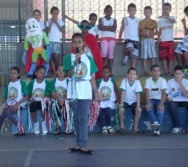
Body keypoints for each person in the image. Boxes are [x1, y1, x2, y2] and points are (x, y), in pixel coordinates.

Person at [63, 33, 100, 155]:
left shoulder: (89, 59)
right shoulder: (68, 58)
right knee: (76, 118)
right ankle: (78, 143)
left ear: (84, 43)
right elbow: (68, 74)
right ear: (72, 44)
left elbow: (92, 78)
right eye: (75, 42)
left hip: (85, 90)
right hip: (73, 90)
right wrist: (75, 62)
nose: (77, 44)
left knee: (83, 118)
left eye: (80, 42)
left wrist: (96, 92)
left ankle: (83, 144)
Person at [0, 67, 28, 136]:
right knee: (2, 115)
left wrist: (18, 104)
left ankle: (21, 128)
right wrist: (6, 104)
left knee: (8, 113)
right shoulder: (9, 84)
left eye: (14, 73)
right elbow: (6, 97)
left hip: (19, 104)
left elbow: (26, 96)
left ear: (18, 74)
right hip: (10, 105)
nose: (12, 75)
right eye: (11, 73)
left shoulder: (21, 83)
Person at [144, 65, 167, 136]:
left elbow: (164, 93)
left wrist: (161, 104)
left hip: (160, 99)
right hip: (151, 99)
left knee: (160, 109)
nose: (156, 72)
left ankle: (156, 129)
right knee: (148, 108)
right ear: (151, 72)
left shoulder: (162, 80)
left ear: (160, 72)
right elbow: (146, 92)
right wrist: (148, 103)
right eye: (154, 70)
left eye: (158, 70)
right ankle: (156, 124)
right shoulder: (148, 80)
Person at [119, 67, 143, 133]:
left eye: (134, 74)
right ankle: (122, 126)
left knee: (138, 111)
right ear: (127, 75)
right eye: (130, 73)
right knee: (121, 109)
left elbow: (138, 94)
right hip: (125, 101)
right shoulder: (124, 80)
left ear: (136, 76)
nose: (132, 75)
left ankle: (135, 127)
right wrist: (121, 103)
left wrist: (138, 106)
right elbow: (123, 92)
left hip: (133, 102)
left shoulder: (137, 82)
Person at [28, 66, 50, 134]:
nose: (42, 74)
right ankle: (35, 123)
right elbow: (28, 94)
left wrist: (45, 98)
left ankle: (44, 123)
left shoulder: (46, 82)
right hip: (35, 101)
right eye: (40, 72)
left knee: (45, 106)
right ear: (36, 73)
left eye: (44, 73)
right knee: (32, 106)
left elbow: (47, 94)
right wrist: (31, 99)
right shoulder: (32, 83)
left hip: (43, 102)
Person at [97, 65, 119, 134]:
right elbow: (95, 91)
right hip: (100, 101)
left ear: (110, 73)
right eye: (104, 72)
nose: (105, 74)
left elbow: (116, 90)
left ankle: (109, 126)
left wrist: (118, 101)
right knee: (99, 112)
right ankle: (103, 127)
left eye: (107, 72)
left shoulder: (112, 80)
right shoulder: (99, 81)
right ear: (101, 73)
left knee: (108, 112)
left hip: (109, 101)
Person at [166, 65, 188, 133]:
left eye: (180, 73)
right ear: (174, 74)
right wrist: (167, 98)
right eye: (176, 73)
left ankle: (186, 127)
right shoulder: (170, 82)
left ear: (183, 74)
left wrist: (180, 83)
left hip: (185, 100)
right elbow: (165, 94)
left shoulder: (186, 82)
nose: (178, 75)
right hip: (174, 100)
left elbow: (186, 95)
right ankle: (177, 126)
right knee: (172, 106)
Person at [49, 66, 70, 134]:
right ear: (56, 72)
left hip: (66, 100)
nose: (61, 72)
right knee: (55, 106)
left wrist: (63, 100)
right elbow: (53, 94)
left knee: (66, 107)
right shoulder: (53, 82)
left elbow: (68, 93)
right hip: (56, 100)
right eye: (59, 70)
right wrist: (58, 100)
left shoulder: (68, 81)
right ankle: (57, 127)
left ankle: (67, 126)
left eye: (63, 70)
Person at [117, 3, 139, 68]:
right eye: (130, 10)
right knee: (130, 48)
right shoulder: (125, 19)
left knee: (134, 56)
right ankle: (126, 55)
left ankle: (133, 69)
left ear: (135, 11)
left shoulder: (137, 19)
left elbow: (138, 29)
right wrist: (119, 38)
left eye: (133, 10)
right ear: (128, 11)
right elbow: (121, 29)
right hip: (128, 39)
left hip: (136, 39)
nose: (132, 12)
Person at [139, 6, 158, 76]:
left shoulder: (154, 22)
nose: (147, 13)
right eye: (146, 12)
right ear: (144, 13)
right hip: (143, 40)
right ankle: (145, 71)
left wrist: (150, 34)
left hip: (151, 40)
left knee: (152, 56)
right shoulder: (141, 22)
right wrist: (143, 34)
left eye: (148, 12)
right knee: (144, 56)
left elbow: (157, 32)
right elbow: (138, 33)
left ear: (151, 13)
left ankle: (153, 71)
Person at [158, 3, 176, 76]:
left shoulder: (172, 17)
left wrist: (165, 17)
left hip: (170, 40)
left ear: (170, 10)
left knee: (170, 56)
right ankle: (166, 71)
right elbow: (160, 30)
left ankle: (170, 71)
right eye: (164, 9)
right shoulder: (160, 20)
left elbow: (173, 21)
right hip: (163, 41)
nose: (165, 10)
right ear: (162, 9)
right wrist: (158, 38)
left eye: (167, 9)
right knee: (163, 56)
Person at [46, 6, 64, 77]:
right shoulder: (48, 21)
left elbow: (61, 30)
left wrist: (56, 22)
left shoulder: (60, 21)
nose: (55, 15)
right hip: (50, 41)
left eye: (56, 13)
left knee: (55, 57)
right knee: (51, 57)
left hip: (56, 41)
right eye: (53, 13)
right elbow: (48, 30)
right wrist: (51, 22)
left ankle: (57, 70)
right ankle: (54, 72)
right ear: (51, 13)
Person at [175, 6, 188, 75]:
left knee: (185, 51)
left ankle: (187, 69)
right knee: (177, 50)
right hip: (186, 37)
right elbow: (186, 33)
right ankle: (181, 69)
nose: (187, 16)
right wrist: (184, 24)